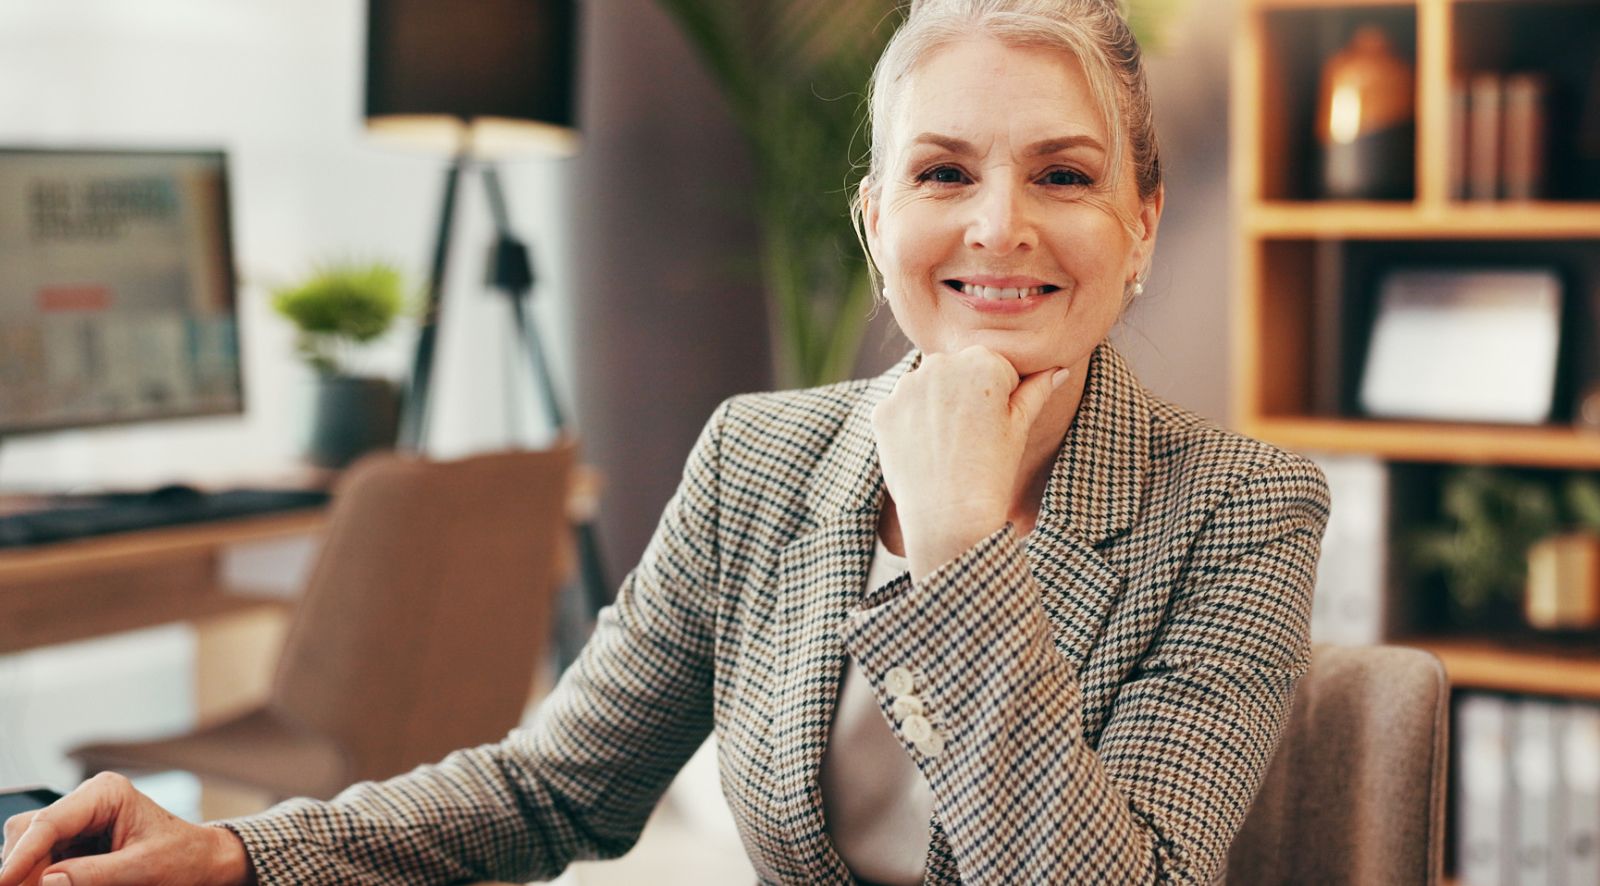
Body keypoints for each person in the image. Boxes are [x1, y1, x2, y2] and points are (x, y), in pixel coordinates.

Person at [0, 0, 1330, 883]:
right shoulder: (759, 458)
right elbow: (547, 789)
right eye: (942, 173)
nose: (997, 225)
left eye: (1063, 173)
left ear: (1143, 222)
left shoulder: (1242, 506)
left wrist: (965, 547)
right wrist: (236, 854)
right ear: (876, 223)